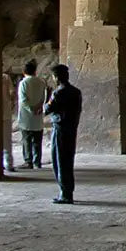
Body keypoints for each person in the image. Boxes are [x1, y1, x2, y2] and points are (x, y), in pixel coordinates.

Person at [43, 64, 82, 204]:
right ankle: (68, 190)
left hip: (60, 128)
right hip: (71, 128)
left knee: (59, 160)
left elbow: (47, 109)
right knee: (68, 159)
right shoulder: (76, 92)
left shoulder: (58, 93)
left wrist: (47, 97)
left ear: (56, 77)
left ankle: (65, 193)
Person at [17, 60, 48, 169]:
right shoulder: (41, 82)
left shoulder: (23, 83)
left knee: (26, 140)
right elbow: (44, 97)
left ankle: (28, 161)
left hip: (26, 116)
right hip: (38, 115)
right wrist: (39, 107)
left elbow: (23, 100)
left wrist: (31, 109)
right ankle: (37, 161)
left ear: (23, 71)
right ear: (35, 71)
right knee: (37, 140)